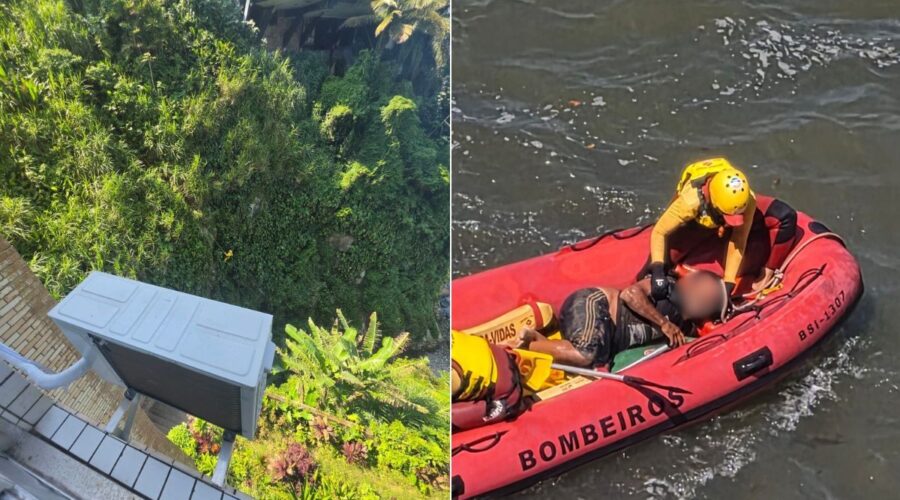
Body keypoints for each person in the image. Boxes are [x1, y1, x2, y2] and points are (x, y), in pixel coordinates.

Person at [648, 158, 799, 301]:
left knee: (785, 216)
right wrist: (657, 271)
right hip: (700, 212)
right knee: (663, 261)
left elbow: (739, 240)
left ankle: (766, 274)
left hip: (722, 206)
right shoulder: (690, 202)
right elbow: (659, 232)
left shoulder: (747, 200)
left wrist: (728, 283)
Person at [507, 271, 725, 368]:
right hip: (593, 303)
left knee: (595, 356)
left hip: (603, 337)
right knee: (587, 354)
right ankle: (526, 347)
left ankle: (537, 339)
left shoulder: (684, 327)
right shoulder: (665, 287)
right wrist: (663, 323)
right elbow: (630, 294)